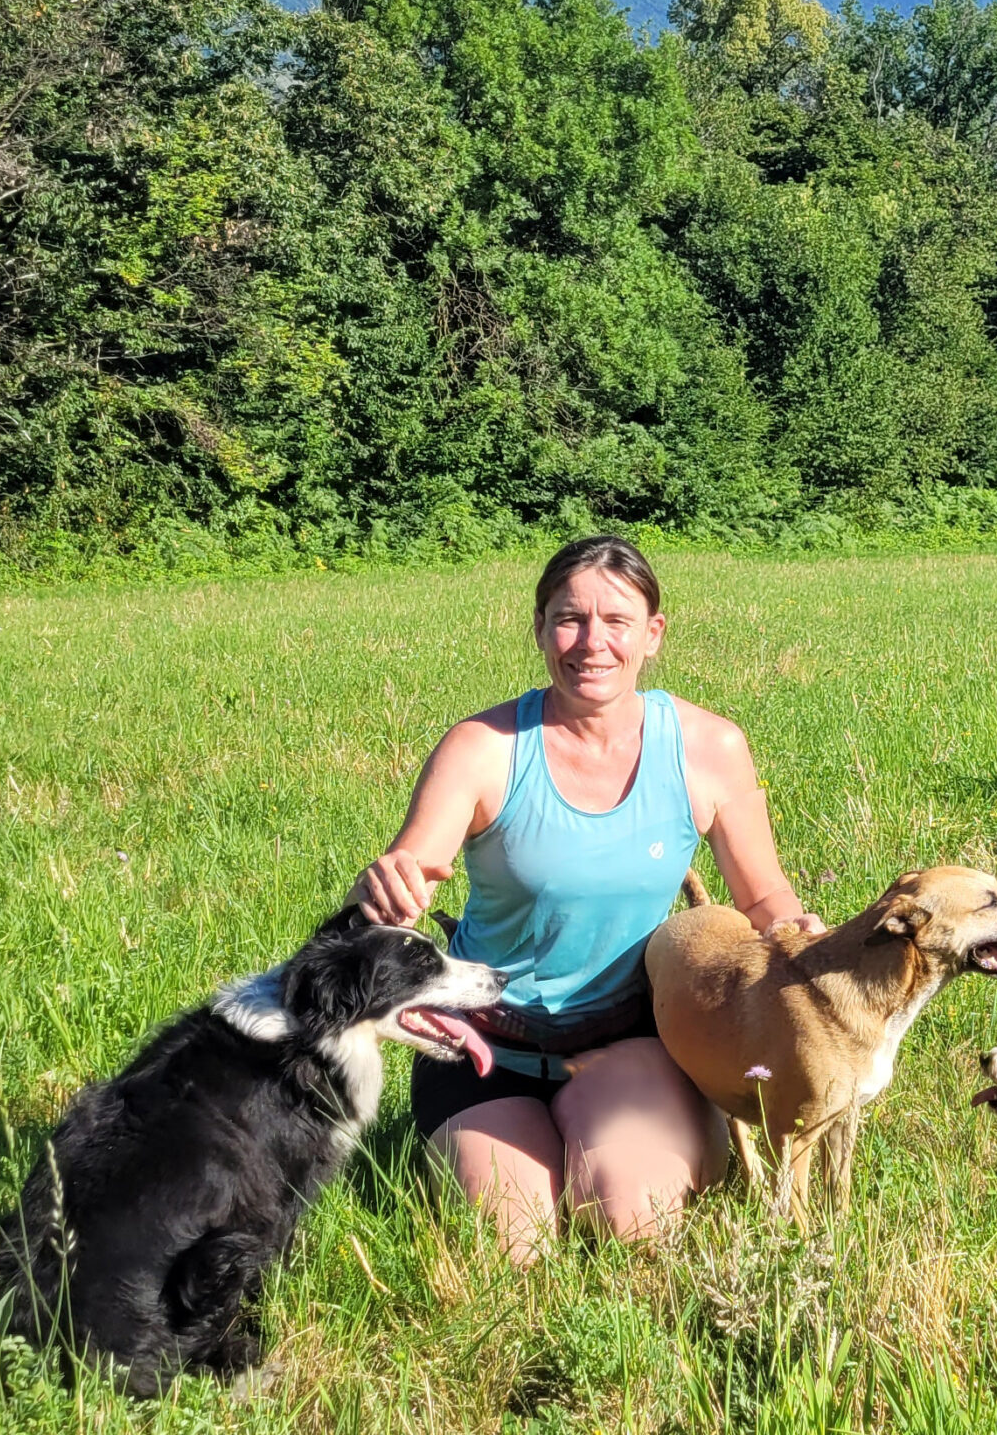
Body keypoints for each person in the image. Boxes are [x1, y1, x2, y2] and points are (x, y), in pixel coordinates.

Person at [349, 535, 818, 1261]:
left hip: (630, 1037)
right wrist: (383, 888)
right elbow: (410, 872)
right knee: (513, 1244)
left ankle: (662, 1131)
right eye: (569, 619)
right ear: (539, 628)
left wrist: (801, 938)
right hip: (480, 1042)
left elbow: (766, 900)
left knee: (630, 1221)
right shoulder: (483, 747)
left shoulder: (708, 748)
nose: (591, 642)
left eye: (617, 621)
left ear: (653, 635)